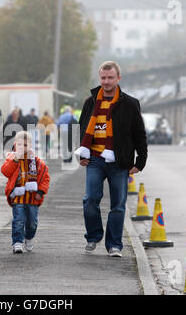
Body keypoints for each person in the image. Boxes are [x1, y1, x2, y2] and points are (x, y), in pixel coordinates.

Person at [74, 61, 147, 258]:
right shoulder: (90, 102)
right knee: (90, 200)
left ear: (118, 78)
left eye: (110, 78)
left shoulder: (130, 104)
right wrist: (81, 153)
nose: (106, 82)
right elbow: (81, 129)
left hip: (119, 161)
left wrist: (140, 161)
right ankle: (93, 235)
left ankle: (114, 245)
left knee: (118, 204)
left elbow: (139, 134)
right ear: (100, 78)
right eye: (103, 78)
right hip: (95, 160)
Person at [1, 131, 50, 254]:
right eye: (20, 145)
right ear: (15, 145)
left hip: (33, 198)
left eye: (25, 145)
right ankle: (17, 242)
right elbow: (5, 172)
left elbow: (45, 177)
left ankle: (28, 238)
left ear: (30, 146)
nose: (23, 147)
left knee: (32, 222)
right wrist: (15, 160)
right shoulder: (12, 159)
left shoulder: (37, 162)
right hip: (18, 198)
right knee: (18, 220)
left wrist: (41, 191)